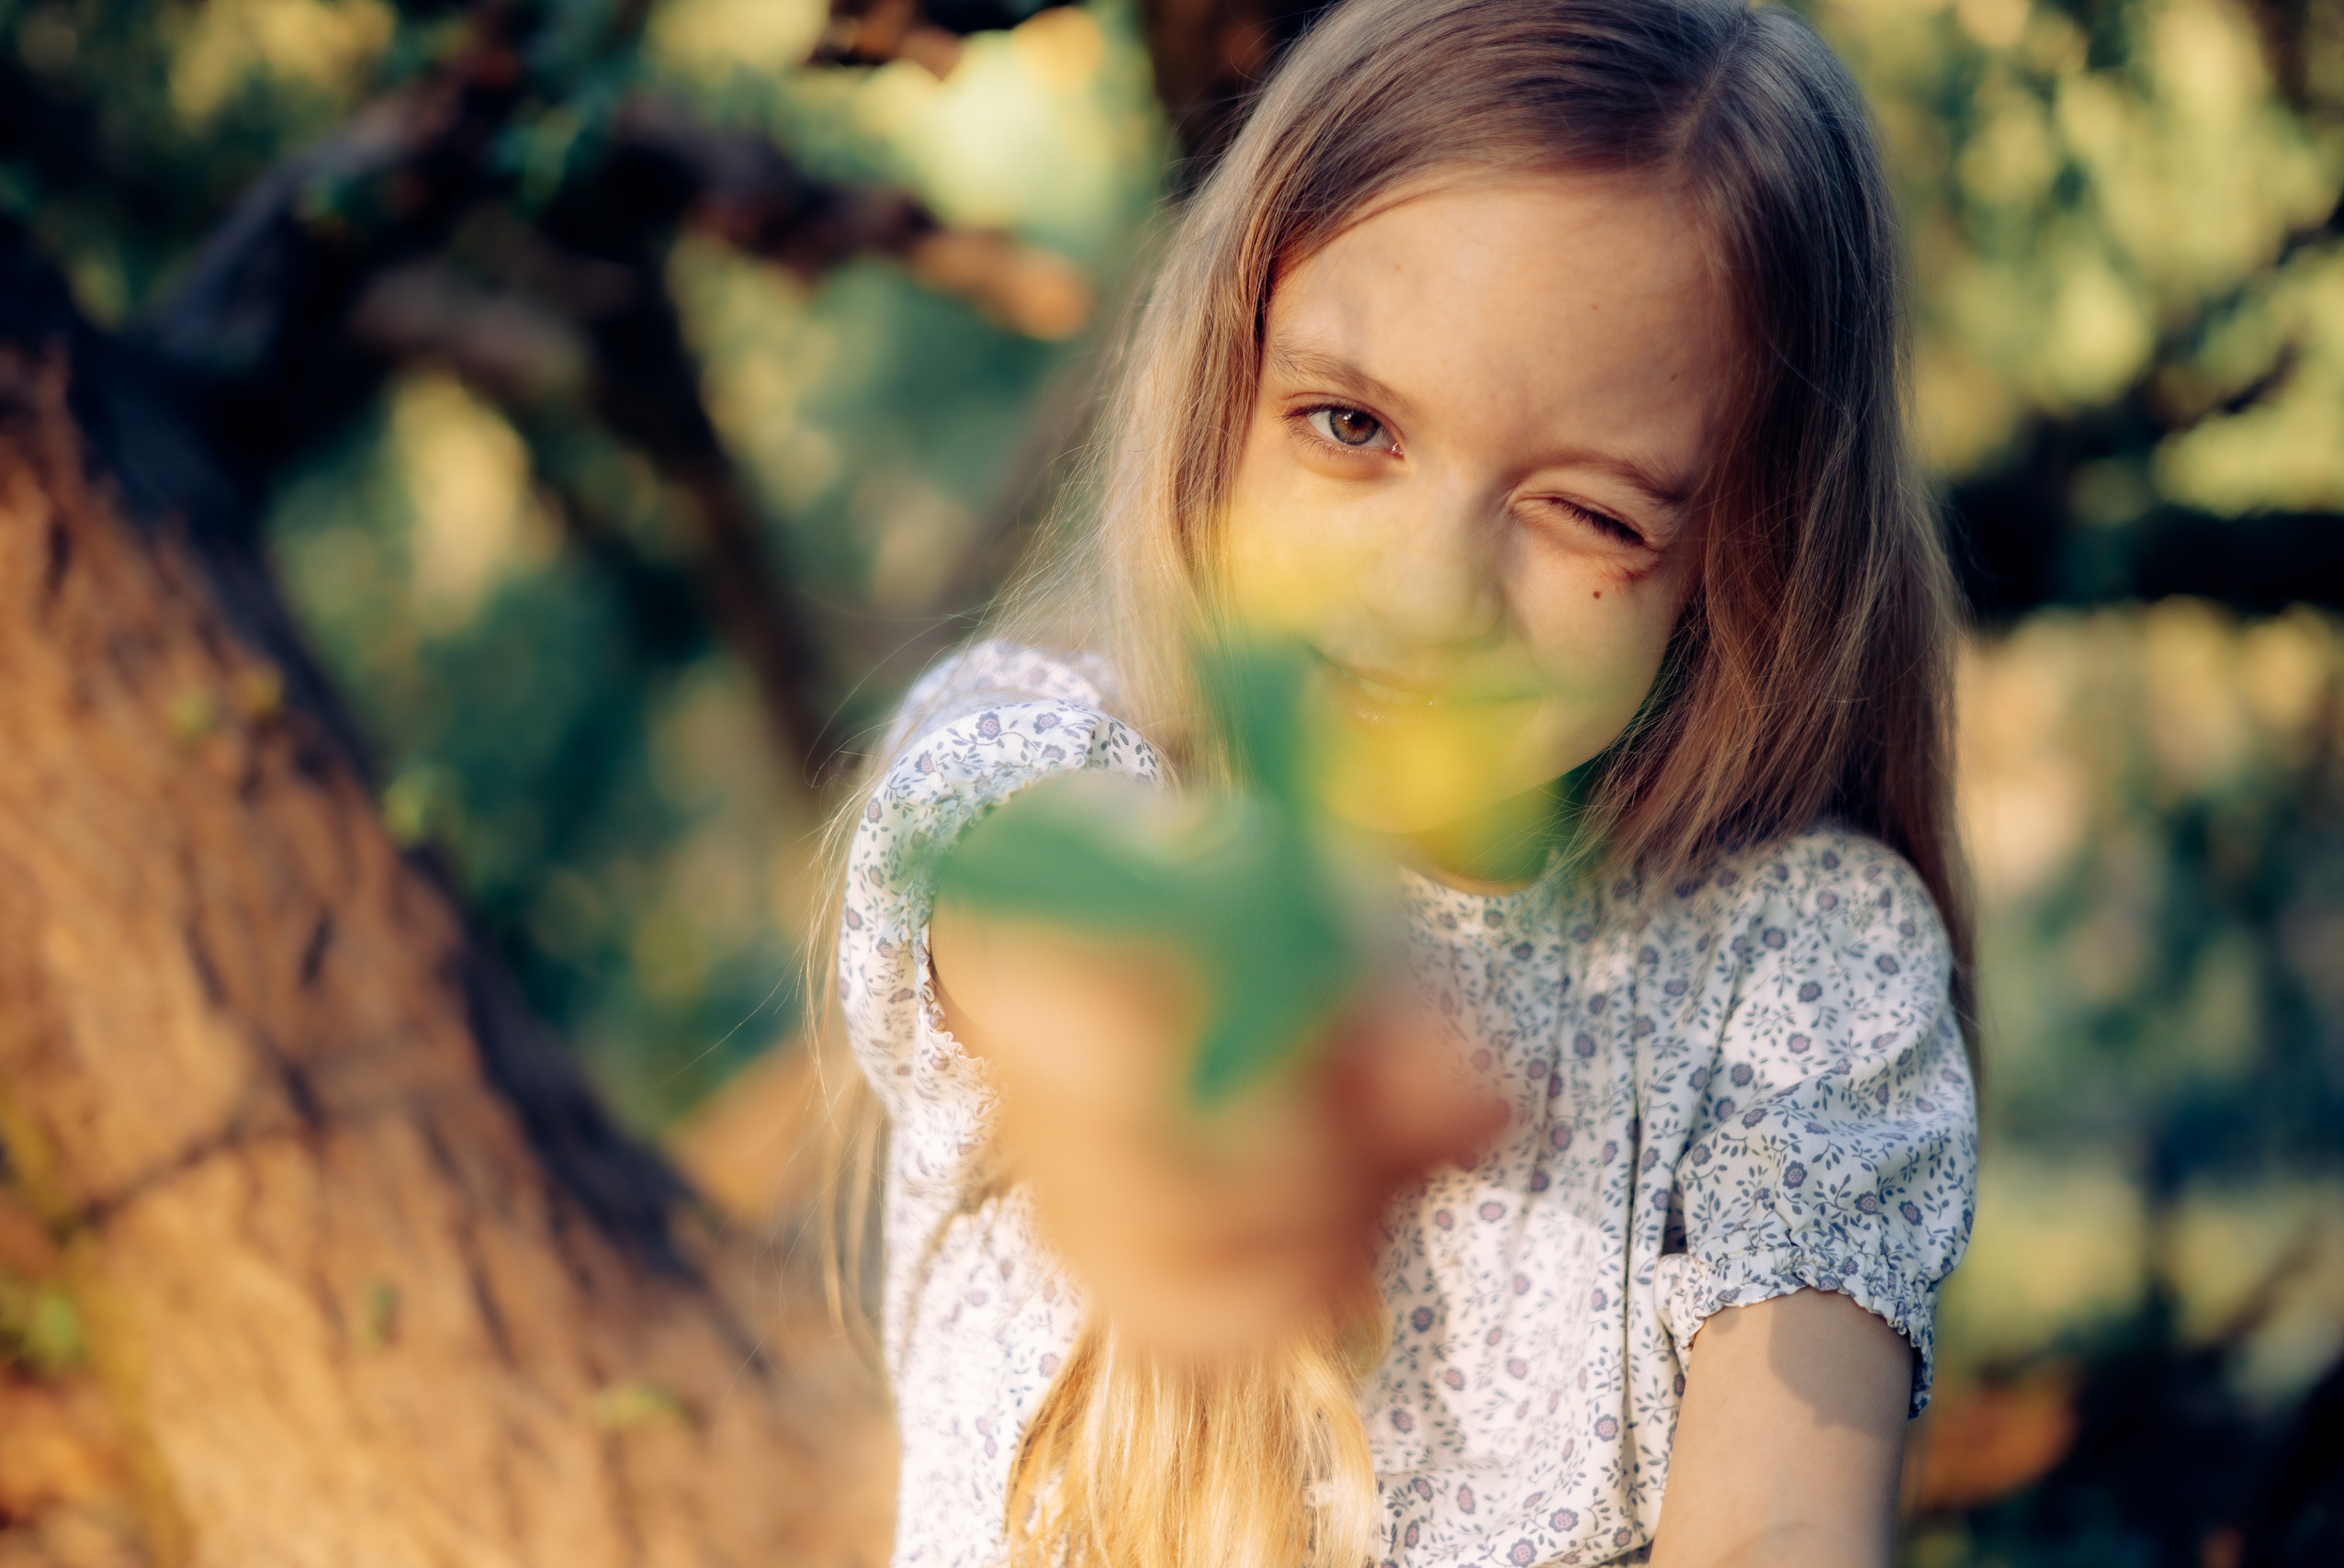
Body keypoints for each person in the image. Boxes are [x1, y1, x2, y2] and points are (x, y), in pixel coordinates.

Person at [821, 1, 1980, 1563]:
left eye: (1590, 512)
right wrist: (1222, 1045)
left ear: (1745, 557)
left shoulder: (1804, 969)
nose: (1429, 592)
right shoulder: (1037, 744)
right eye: (1351, 425)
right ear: (1223, 381)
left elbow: (1781, 1530)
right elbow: (1057, 925)